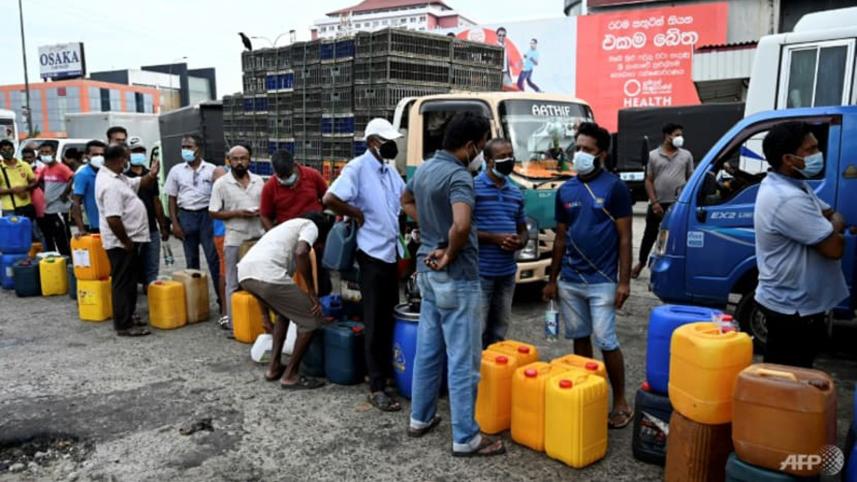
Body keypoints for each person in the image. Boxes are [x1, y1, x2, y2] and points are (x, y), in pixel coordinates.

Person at [401, 112, 505, 457]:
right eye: (482, 146)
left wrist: (431, 228)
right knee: (463, 360)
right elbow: (461, 225)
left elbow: (406, 201)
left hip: (427, 273)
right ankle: (466, 437)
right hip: (455, 275)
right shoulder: (460, 177)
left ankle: (420, 417)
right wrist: (450, 249)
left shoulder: (425, 168)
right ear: (472, 145)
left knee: (429, 352)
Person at [542, 121, 634, 429]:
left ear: (602, 155)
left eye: (587, 150)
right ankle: (586, 392)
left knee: (607, 340)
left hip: (603, 282)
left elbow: (624, 238)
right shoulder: (566, 190)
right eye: (577, 148)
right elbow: (560, 238)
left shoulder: (615, 188)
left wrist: (624, 281)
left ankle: (619, 399)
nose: (580, 154)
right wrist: (552, 279)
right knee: (579, 339)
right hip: (570, 280)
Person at [324, 118, 405, 412]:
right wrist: (355, 213)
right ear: (373, 142)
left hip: (390, 252)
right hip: (370, 254)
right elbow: (329, 198)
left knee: (388, 317)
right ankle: (376, 386)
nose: (392, 145)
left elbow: (403, 197)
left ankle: (384, 372)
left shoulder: (389, 170)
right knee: (374, 320)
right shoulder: (357, 168)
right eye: (387, 141)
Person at [754, 122, 848, 368]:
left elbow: (834, 215)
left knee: (792, 378)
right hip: (792, 311)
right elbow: (835, 248)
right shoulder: (787, 198)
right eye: (811, 149)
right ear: (788, 158)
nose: (819, 154)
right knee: (787, 380)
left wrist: (828, 226)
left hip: (799, 306)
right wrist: (830, 228)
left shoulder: (797, 186)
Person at [237, 213, 332, 389]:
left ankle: (273, 368)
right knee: (311, 321)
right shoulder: (310, 226)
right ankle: (290, 375)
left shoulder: (285, 230)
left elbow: (265, 288)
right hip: (266, 275)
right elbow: (301, 252)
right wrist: (312, 293)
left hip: (245, 274)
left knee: (283, 314)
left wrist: (265, 315)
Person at [95, 144, 160, 337]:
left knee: (130, 281)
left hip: (127, 240)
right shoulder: (110, 184)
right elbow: (113, 218)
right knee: (123, 283)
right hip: (121, 243)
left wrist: (153, 174)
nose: (128, 162)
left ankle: (128, 315)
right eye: (126, 158)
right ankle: (123, 324)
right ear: (119, 160)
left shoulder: (118, 178)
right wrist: (126, 241)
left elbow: (139, 183)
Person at [473, 139, 527, 348]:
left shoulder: (515, 191)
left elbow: (522, 229)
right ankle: (475, 378)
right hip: (481, 272)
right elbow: (463, 229)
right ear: (488, 160)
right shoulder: (473, 187)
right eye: (502, 156)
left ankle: (494, 375)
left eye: (510, 155)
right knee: (477, 331)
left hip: (506, 273)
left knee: (499, 331)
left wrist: (519, 241)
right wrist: (495, 238)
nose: (508, 160)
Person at [165, 134, 222, 313]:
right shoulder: (176, 171)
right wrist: (174, 222)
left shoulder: (211, 169)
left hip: (207, 216)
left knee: (213, 259)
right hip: (186, 215)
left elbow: (220, 195)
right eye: (183, 147)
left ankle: (222, 302)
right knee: (191, 261)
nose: (185, 150)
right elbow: (172, 198)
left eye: (189, 147)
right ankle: (196, 302)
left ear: (198, 148)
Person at [209, 145, 264, 329]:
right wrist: (238, 213)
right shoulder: (221, 184)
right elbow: (214, 212)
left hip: (257, 238)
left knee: (259, 281)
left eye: (243, 158)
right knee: (232, 282)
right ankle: (235, 324)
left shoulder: (258, 181)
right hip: (234, 238)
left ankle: (259, 321)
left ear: (250, 159)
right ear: (229, 160)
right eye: (235, 159)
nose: (239, 162)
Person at [632, 123, 693, 279]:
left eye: (681, 134)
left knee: (674, 236)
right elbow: (649, 180)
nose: (680, 138)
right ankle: (641, 263)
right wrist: (654, 202)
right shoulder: (653, 155)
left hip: (677, 205)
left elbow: (690, 179)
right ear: (667, 136)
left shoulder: (686, 155)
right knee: (650, 234)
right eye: (677, 134)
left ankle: (669, 267)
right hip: (657, 204)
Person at [126, 137, 169, 286]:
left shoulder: (151, 175)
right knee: (132, 262)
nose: (138, 154)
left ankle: (149, 287)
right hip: (132, 229)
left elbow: (156, 201)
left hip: (151, 227)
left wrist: (163, 225)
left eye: (140, 151)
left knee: (152, 262)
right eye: (134, 151)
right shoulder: (123, 177)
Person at [260, 150, 326, 230]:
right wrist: (274, 235)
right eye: (281, 176)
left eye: (288, 175)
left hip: (315, 228)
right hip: (288, 232)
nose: (285, 179)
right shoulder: (270, 187)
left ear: (295, 165)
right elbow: (264, 216)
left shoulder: (313, 175)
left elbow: (327, 198)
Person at [35, 142, 74, 256]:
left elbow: (72, 177)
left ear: (54, 153)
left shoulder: (61, 167)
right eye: (42, 152)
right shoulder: (45, 168)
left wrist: (64, 193)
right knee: (52, 234)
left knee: (62, 235)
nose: (44, 154)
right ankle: (57, 258)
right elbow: (39, 180)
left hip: (59, 208)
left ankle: (67, 258)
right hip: (48, 207)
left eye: (47, 152)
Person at [72, 140, 107, 235]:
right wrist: (81, 229)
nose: (99, 157)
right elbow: (76, 202)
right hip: (96, 226)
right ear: (87, 156)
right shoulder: (83, 174)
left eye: (102, 154)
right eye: (95, 154)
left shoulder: (108, 172)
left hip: (112, 223)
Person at [0, 139, 38, 223]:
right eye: (4, 150)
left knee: (32, 232)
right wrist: (13, 190)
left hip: (26, 206)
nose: (7, 152)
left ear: (14, 149)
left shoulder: (24, 165)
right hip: (9, 209)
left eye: (9, 149)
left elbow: (34, 182)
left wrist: (24, 188)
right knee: (13, 233)